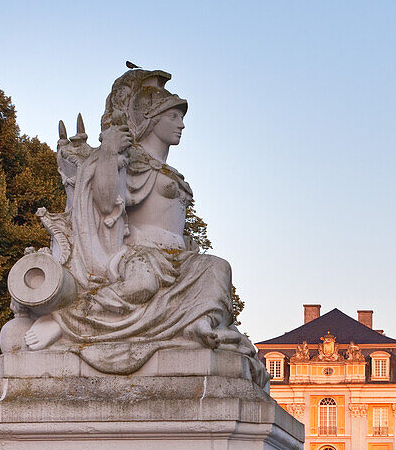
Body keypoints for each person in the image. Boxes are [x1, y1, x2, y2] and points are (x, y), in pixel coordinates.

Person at [21, 67, 266, 386]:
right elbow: (106, 202)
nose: (181, 124)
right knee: (142, 285)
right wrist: (109, 153)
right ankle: (65, 321)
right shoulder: (129, 160)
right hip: (141, 254)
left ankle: (198, 326)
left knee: (217, 268)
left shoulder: (166, 170)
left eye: (181, 117)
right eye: (174, 116)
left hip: (180, 260)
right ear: (153, 119)